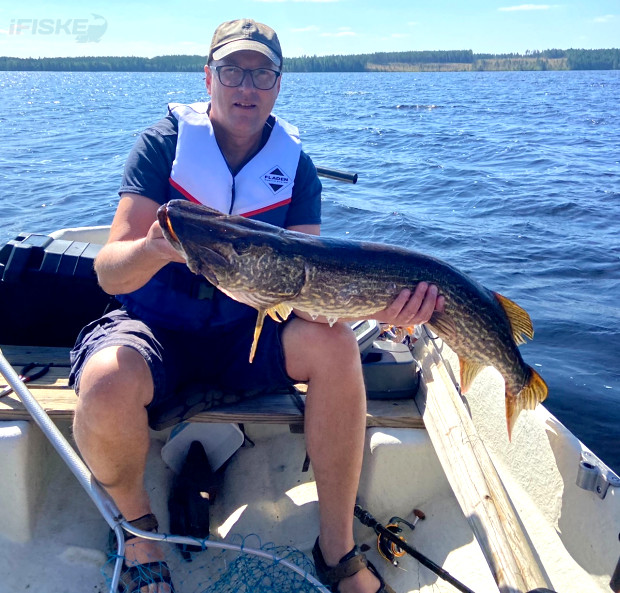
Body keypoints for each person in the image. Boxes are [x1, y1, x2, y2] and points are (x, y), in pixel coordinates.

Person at [69, 18, 444, 593]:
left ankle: (337, 549)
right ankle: (139, 533)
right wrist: (152, 249)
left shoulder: (297, 169)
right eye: (232, 71)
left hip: (248, 337)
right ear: (208, 78)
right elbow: (108, 271)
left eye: (262, 74)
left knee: (336, 345)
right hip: (156, 332)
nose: (247, 87)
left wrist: (384, 308)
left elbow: (308, 293)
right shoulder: (162, 147)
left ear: (278, 84)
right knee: (103, 381)